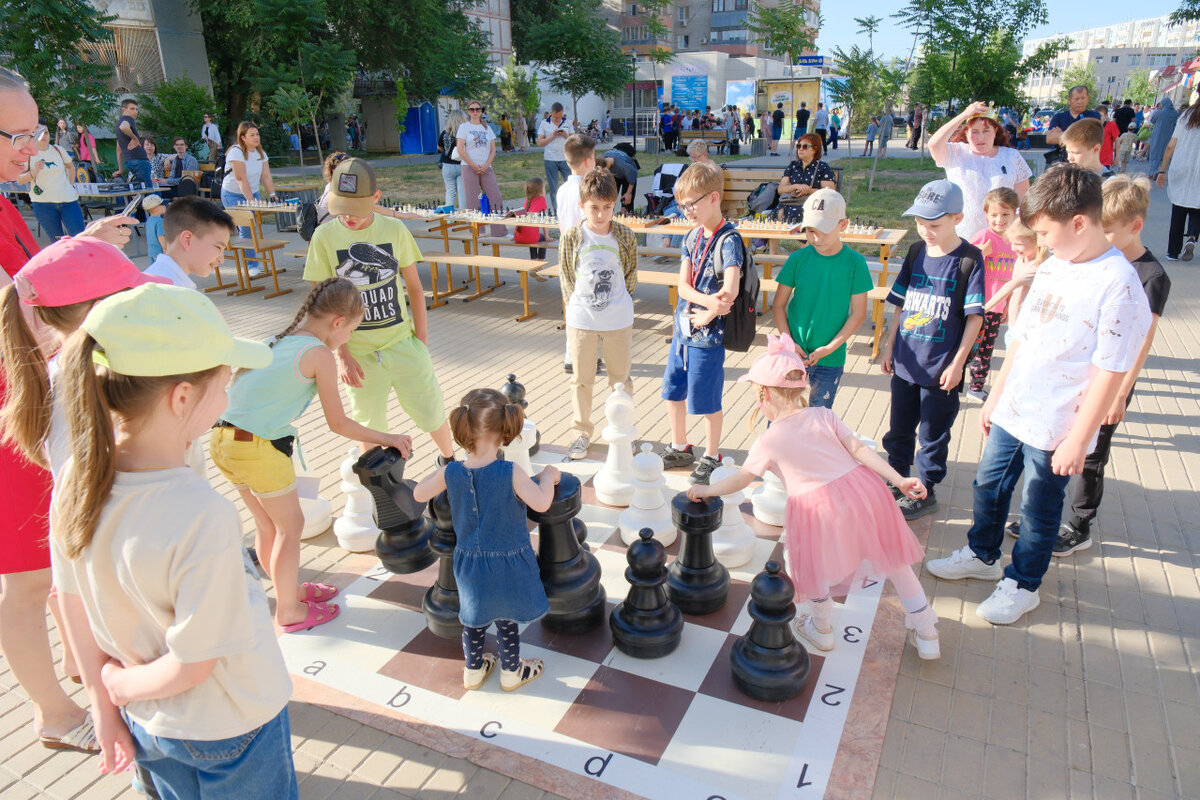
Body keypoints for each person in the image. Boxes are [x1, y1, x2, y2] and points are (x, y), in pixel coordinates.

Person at [51, 283, 299, 796]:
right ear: (182, 396)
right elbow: (194, 662)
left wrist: (104, 702)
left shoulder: (77, 475)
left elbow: (70, 601)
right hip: (232, 721)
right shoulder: (200, 513)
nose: (228, 397)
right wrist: (117, 688)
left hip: (149, 724)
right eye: (224, 384)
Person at [926, 164, 1151, 625]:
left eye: (1046, 231)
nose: (1040, 241)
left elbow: (1109, 371)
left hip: (1058, 423)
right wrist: (995, 396)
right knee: (989, 485)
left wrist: (1078, 439)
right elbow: (1023, 340)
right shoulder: (1053, 266)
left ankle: (1023, 582)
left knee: (1038, 507)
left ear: (1080, 223)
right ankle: (982, 554)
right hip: (1015, 406)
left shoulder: (1118, 284)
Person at [0, 237, 165, 760]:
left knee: (57, 576)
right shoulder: (63, 377)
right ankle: (60, 709)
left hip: (32, 434)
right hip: (22, 451)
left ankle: (83, 668)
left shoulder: (59, 362)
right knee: (30, 582)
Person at [687, 334, 940, 659]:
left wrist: (706, 489)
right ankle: (927, 632)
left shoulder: (769, 439)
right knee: (895, 560)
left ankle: (821, 630)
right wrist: (898, 479)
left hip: (814, 507)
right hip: (863, 492)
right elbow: (860, 449)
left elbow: (741, 479)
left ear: (763, 394)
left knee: (809, 567)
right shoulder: (824, 415)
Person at [213, 277, 411, 633]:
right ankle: (289, 609)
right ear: (337, 322)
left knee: (267, 525)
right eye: (350, 330)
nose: (348, 339)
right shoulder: (318, 354)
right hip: (258, 449)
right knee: (292, 529)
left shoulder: (280, 338)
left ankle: (291, 591)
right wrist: (387, 436)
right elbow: (337, 423)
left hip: (223, 439)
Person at [303, 158, 456, 462]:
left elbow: (414, 287)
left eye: (355, 210)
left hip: (401, 342)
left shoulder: (394, 229)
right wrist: (341, 355)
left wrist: (421, 341)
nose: (347, 217)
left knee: (430, 409)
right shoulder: (324, 237)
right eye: (340, 208)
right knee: (368, 423)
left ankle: (449, 461)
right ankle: (375, 486)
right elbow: (320, 303)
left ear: (375, 198)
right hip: (357, 353)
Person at [413, 389, 556, 692]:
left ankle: (473, 671)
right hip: (509, 561)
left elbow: (418, 494)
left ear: (465, 429)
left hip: (470, 562)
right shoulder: (511, 471)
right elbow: (542, 504)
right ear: (505, 430)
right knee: (506, 619)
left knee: (473, 618)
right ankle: (511, 672)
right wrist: (548, 477)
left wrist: (445, 472)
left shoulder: (452, 471)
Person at [880, 180, 985, 520]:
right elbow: (900, 304)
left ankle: (925, 490)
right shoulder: (915, 252)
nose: (925, 230)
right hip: (906, 361)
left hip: (941, 370)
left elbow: (974, 319)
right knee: (899, 428)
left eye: (934, 224)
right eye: (920, 222)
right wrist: (889, 343)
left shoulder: (969, 260)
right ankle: (897, 477)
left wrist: (959, 364)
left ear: (958, 217)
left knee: (932, 435)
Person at [658, 161, 743, 485]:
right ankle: (680, 445)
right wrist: (710, 304)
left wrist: (713, 312)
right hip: (683, 330)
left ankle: (712, 453)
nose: (686, 211)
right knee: (672, 390)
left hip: (708, 339)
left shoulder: (729, 240)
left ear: (713, 198)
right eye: (682, 205)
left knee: (707, 399)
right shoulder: (692, 236)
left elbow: (731, 290)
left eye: (691, 204)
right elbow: (682, 286)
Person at [559, 168, 637, 459]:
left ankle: (623, 430)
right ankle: (581, 432)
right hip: (582, 320)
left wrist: (620, 303)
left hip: (618, 319)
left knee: (620, 379)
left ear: (614, 205)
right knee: (581, 379)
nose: (601, 215)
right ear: (582, 206)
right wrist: (575, 310)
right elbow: (567, 276)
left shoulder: (624, 236)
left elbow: (630, 275)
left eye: (607, 208)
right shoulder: (572, 237)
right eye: (594, 208)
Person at [771, 189, 870, 410]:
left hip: (830, 359)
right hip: (791, 354)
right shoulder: (797, 258)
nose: (815, 238)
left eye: (823, 231)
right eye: (810, 230)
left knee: (817, 420)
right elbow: (778, 305)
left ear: (843, 225)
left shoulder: (855, 263)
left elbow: (859, 313)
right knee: (781, 418)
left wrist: (830, 348)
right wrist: (789, 342)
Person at [928, 101, 1031, 239]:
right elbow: (934, 144)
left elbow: (1022, 199)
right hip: (962, 235)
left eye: (986, 131)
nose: (980, 138)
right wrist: (964, 115)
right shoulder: (956, 153)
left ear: (995, 131)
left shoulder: (1011, 156)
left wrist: (1017, 232)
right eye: (975, 132)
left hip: (1002, 237)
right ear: (966, 133)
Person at [965, 187, 1019, 402]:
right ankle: (952, 380)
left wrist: (1008, 305)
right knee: (966, 345)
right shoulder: (982, 237)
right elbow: (963, 266)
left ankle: (976, 387)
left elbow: (1016, 277)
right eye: (994, 214)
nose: (999, 220)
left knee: (985, 350)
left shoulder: (1016, 240)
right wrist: (980, 253)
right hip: (975, 305)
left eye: (1005, 214)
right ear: (985, 214)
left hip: (997, 308)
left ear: (1015, 213)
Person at [222, 122, 278, 277]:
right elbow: (240, 179)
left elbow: (266, 176)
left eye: (257, 134)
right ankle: (251, 265)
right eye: (252, 135)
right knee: (246, 226)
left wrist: (272, 193)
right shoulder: (236, 152)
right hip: (232, 194)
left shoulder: (261, 153)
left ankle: (256, 262)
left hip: (252, 193)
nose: (256, 137)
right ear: (243, 137)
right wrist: (251, 201)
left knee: (254, 226)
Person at [146, 196, 236, 289]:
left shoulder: (153, 278)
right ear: (187, 240)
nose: (222, 259)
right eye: (218, 247)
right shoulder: (174, 292)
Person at [19, 122, 85, 238]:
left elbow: (70, 167)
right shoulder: (27, 154)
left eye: (46, 132)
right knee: (57, 242)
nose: (44, 136)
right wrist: (34, 172)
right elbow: (20, 180)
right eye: (40, 133)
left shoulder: (58, 150)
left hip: (68, 201)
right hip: (43, 204)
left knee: (79, 238)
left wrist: (70, 185)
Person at [1154, 101, 1200, 262]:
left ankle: (1172, 252)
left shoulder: (1185, 116)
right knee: (1197, 207)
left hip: (1181, 165)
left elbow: (1171, 145)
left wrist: (1162, 169)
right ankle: (1192, 238)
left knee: (1178, 210)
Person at [457, 100, 506, 237]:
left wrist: (485, 166)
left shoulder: (487, 128)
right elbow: (460, 149)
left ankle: (499, 231)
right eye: (472, 109)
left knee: (495, 197)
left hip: (486, 167)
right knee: (473, 200)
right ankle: (477, 231)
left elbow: (493, 150)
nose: (475, 112)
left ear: (481, 111)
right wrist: (473, 165)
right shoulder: (464, 127)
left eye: (477, 109)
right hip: (468, 166)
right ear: (468, 111)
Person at [777, 133, 837, 225]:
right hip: (791, 202)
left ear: (814, 149)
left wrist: (808, 190)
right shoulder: (793, 166)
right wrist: (796, 186)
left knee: (799, 213)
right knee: (777, 212)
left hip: (813, 204)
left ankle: (804, 239)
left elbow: (829, 193)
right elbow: (781, 189)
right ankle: (764, 239)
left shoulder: (823, 168)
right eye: (798, 146)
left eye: (805, 146)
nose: (800, 149)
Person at [537, 103, 573, 210]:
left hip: (565, 158)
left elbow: (574, 141)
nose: (558, 120)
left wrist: (565, 135)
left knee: (570, 185)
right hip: (550, 159)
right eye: (555, 117)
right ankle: (558, 211)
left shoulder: (568, 122)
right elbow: (539, 142)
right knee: (554, 188)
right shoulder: (544, 123)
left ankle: (569, 209)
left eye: (560, 117)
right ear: (551, 113)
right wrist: (552, 136)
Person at [112, 99, 151, 186]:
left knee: (140, 191)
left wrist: (120, 169)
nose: (136, 112)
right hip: (140, 160)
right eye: (132, 109)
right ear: (124, 109)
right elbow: (124, 127)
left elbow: (119, 149)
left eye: (137, 109)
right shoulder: (128, 119)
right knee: (150, 191)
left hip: (129, 161)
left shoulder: (118, 123)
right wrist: (135, 138)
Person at [513, 177, 548, 259]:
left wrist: (515, 235)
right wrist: (547, 236)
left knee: (534, 237)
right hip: (530, 238)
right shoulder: (542, 200)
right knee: (542, 240)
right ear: (539, 191)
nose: (545, 190)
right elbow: (544, 220)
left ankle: (533, 261)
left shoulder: (527, 200)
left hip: (518, 237)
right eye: (544, 188)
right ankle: (539, 263)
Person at [437, 110, 466, 209]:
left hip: (447, 165)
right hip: (462, 164)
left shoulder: (445, 133)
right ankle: (464, 215)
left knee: (450, 191)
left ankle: (449, 216)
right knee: (462, 192)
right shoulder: (465, 133)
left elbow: (439, 148)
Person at [598, 142, 639, 212]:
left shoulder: (622, 164)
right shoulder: (601, 160)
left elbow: (633, 177)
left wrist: (628, 193)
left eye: (604, 171)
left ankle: (626, 214)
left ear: (607, 166)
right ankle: (608, 216)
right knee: (609, 199)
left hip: (629, 176)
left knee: (626, 201)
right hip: (615, 175)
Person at [1147, 97, 1178, 176]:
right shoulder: (1175, 113)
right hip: (1169, 137)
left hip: (1158, 135)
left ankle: (1152, 172)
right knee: (1165, 154)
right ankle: (1162, 171)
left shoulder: (1159, 112)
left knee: (1155, 153)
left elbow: (1152, 120)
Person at [142, 194, 166, 262]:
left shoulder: (149, 220)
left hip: (151, 251)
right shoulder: (160, 221)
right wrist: (165, 249)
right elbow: (161, 237)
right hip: (159, 252)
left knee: (153, 271)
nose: (164, 206)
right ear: (157, 208)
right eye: (162, 204)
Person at [1098, 105, 1120, 170]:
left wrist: (1117, 157)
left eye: (1100, 115)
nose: (1098, 118)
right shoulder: (1092, 126)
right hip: (1093, 160)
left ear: (1106, 115)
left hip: (1105, 160)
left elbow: (1117, 141)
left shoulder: (1111, 125)